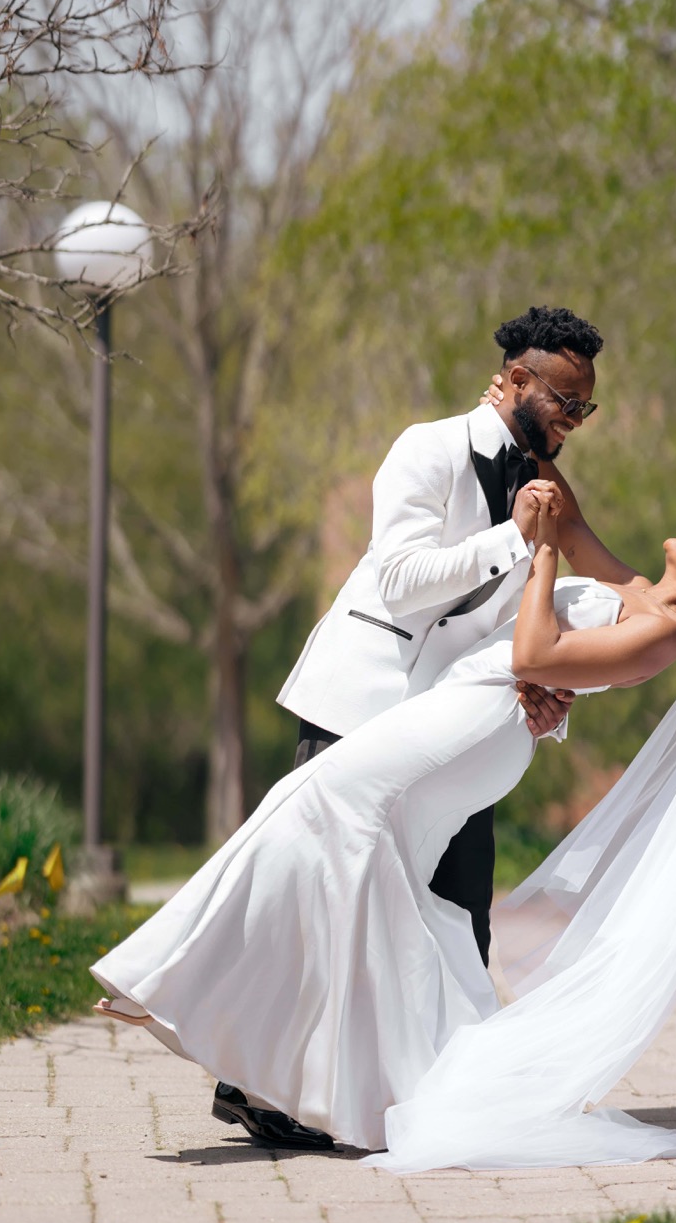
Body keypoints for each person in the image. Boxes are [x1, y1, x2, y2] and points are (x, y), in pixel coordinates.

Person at [92, 490, 676, 1170]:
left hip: (480, 723)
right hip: (471, 708)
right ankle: (362, 1078)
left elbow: (532, 656)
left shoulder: (662, 635)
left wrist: (545, 554)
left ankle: (169, 979)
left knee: (316, 805)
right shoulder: (639, 590)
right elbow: (570, 517)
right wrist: (531, 444)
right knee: (363, 866)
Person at [214, 305, 610, 1148]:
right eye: (564, 401)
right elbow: (398, 581)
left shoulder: (542, 489)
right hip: (360, 710)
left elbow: (518, 622)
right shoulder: (426, 448)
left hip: (452, 730)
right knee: (320, 900)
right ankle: (254, 1085)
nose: (573, 421)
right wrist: (514, 538)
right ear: (513, 380)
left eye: (585, 408)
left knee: (463, 905)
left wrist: (545, 695)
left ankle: (444, 1093)